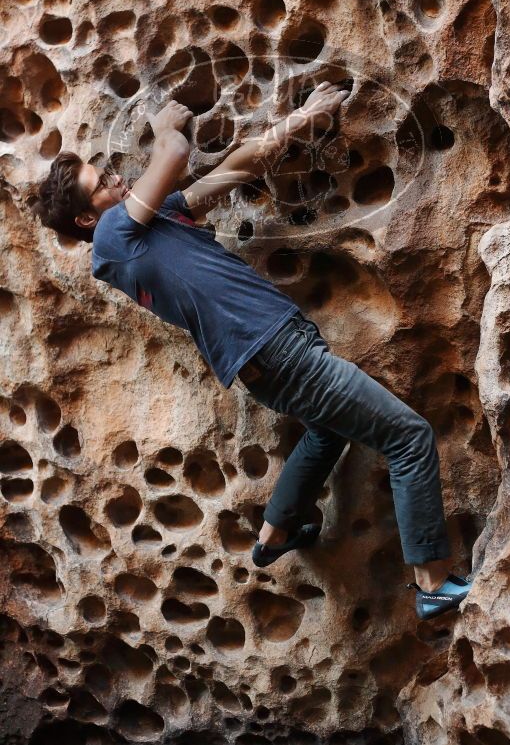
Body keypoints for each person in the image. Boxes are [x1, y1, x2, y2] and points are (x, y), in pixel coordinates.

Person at [33, 82, 472, 621]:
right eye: (101, 183)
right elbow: (173, 152)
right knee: (407, 436)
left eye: (108, 172)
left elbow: (232, 172)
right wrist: (165, 129)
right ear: (85, 218)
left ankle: (275, 532)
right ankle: (432, 582)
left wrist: (301, 121)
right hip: (277, 350)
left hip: (271, 357)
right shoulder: (112, 239)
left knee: (327, 429)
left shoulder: (150, 224)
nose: (116, 178)